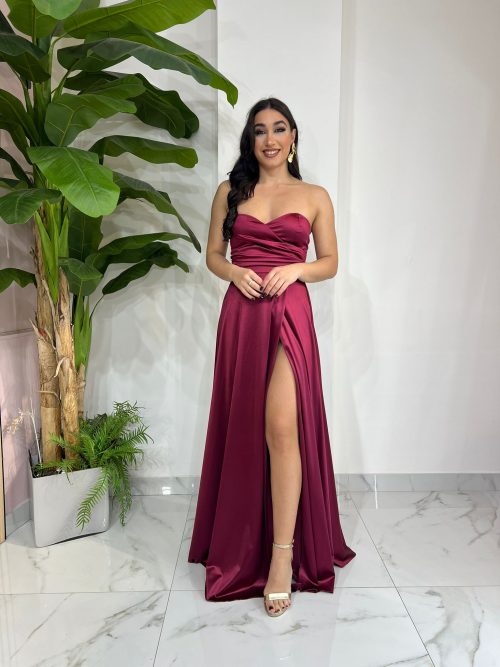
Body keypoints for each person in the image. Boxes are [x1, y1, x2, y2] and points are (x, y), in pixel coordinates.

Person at [188, 97, 356, 617]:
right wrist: (234, 272)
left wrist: (297, 269)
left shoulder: (314, 195)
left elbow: (330, 261)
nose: (270, 139)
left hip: (290, 314)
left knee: (282, 428)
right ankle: (242, 542)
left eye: (279, 129)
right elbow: (212, 255)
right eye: (260, 130)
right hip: (243, 312)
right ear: (251, 140)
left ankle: (282, 555)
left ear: (293, 137)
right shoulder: (230, 192)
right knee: (243, 426)